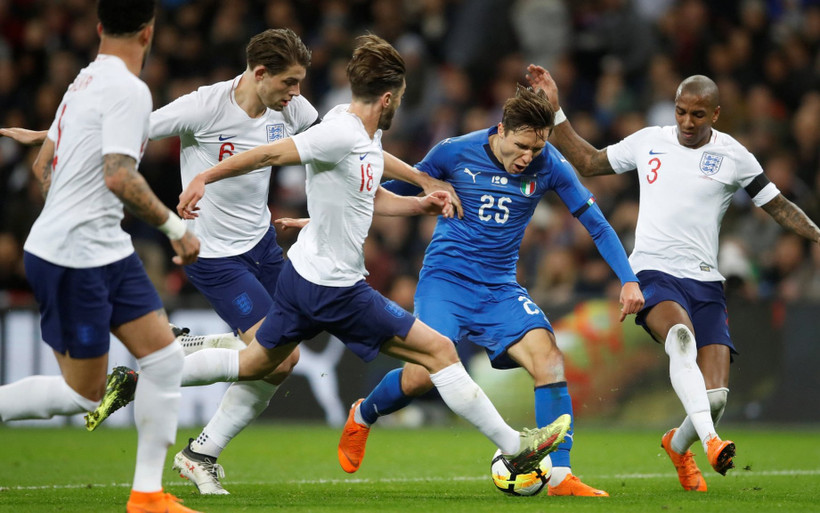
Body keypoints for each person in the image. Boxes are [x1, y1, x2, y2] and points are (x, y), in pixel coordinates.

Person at [2, 28, 457, 496]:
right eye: (289, 83)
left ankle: (184, 381)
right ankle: (191, 433)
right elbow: (132, 131)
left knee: (281, 351)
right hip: (215, 256)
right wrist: (52, 134)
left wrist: (418, 176)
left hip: (261, 243)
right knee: (278, 359)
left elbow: (357, 146)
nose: (298, 94)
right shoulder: (203, 106)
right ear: (260, 74)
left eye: (300, 83)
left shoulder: (293, 110)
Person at [170, 33, 571, 476]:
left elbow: (372, 192)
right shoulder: (337, 132)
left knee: (256, 363)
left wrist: (421, 197)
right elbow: (267, 154)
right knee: (439, 351)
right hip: (335, 288)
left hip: (302, 278)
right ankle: (516, 447)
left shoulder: (357, 129)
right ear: (387, 98)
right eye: (398, 97)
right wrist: (204, 176)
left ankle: (154, 375)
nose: (399, 104)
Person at [318, 84, 644, 498]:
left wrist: (628, 277)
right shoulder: (454, 151)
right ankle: (363, 414)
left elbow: (595, 223)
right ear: (502, 130)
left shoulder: (550, 164)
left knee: (549, 359)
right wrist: (322, 222)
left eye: (538, 148)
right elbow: (396, 191)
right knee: (422, 377)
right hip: (445, 283)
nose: (529, 157)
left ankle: (559, 476)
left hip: (500, 288)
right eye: (523, 145)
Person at [529, 65, 820, 491]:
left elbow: (777, 206)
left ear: (716, 114)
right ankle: (713, 443)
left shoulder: (735, 156)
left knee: (716, 398)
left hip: (705, 282)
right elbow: (589, 162)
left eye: (697, 115)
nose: (686, 122)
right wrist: (556, 112)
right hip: (652, 272)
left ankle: (678, 445)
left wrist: (817, 235)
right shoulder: (651, 141)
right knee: (679, 339)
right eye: (681, 112)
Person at [0, 1, 202, 512]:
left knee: (163, 359)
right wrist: (177, 229)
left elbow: (45, 167)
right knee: (85, 396)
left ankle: (147, 495)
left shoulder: (84, 81)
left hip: (104, 248)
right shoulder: (130, 89)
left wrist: (76, 206)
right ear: (150, 32)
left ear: (98, 28)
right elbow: (118, 174)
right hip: (73, 256)